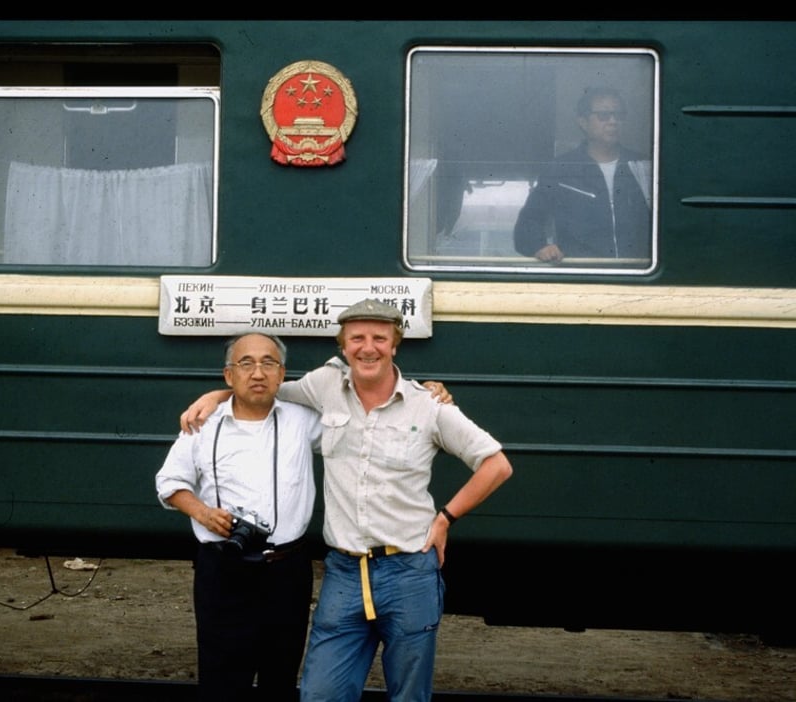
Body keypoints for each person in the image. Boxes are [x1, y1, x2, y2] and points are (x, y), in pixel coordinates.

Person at [180, 299, 513, 702]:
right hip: (345, 574)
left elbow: (496, 465)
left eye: (379, 338)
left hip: (408, 572)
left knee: (409, 694)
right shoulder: (323, 387)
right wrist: (217, 394)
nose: (367, 347)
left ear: (395, 345)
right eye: (357, 338)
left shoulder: (428, 405)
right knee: (320, 693)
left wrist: (445, 519)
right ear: (343, 346)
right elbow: (260, 388)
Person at [156, 332, 322, 702]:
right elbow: (168, 481)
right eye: (246, 363)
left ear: (282, 374)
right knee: (221, 682)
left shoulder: (304, 420)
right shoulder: (204, 423)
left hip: (286, 572)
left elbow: (362, 408)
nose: (258, 373)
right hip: (223, 571)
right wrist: (202, 512)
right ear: (229, 375)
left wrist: (426, 391)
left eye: (269, 363)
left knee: (280, 679)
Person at [513, 85, 652, 263]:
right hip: (582, 276)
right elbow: (529, 221)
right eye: (603, 115)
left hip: (638, 277)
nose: (613, 121)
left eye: (619, 115)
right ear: (583, 122)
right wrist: (540, 247)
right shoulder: (560, 169)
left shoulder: (643, 165)